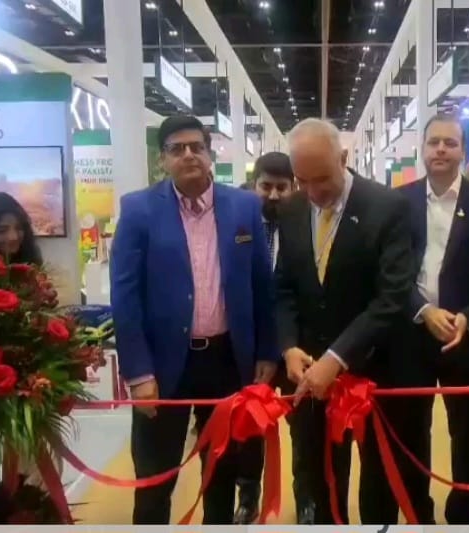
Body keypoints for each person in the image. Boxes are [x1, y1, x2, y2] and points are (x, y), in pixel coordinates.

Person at [110, 115, 279, 524]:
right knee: (155, 476)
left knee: (221, 472)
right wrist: (138, 372)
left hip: (227, 360)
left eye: (196, 147)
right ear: (162, 159)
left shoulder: (244, 206)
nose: (188, 155)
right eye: (176, 149)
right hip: (162, 365)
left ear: (209, 153)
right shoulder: (138, 210)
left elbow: (262, 284)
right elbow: (125, 296)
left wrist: (266, 351)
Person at [274, 118, 413, 524]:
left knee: (378, 481)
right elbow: (283, 286)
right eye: (302, 180)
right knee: (318, 478)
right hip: (307, 375)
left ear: (344, 158)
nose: (313, 193)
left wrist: (337, 358)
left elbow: (392, 296)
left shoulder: (387, 207)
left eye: (322, 179)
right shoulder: (292, 208)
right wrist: (289, 346)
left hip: (373, 367)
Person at [395, 115, 469, 525]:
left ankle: (467, 512)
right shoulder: (399, 203)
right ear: (423, 149)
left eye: (450, 142)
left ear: (463, 150)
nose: (441, 149)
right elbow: (389, 272)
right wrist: (423, 309)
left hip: (467, 338)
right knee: (411, 431)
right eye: (434, 142)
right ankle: (417, 512)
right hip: (411, 335)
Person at [232, 152, 309, 524]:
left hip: (298, 346)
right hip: (250, 348)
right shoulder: (236, 226)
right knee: (249, 427)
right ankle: (248, 498)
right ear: (254, 185)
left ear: (294, 187)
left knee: (305, 428)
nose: (274, 195)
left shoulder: (308, 223)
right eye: (266, 186)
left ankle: (307, 499)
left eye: (282, 187)